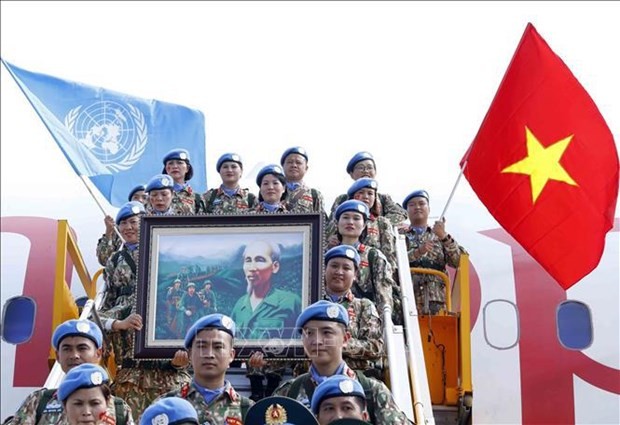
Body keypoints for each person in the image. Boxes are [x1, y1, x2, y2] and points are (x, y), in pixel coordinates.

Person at [99, 201, 191, 416]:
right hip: (131, 372)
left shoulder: (165, 252)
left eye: (134, 221)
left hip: (169, 370)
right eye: (123, 223)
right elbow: (107, 303)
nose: (128, 227)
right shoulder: (116, 259)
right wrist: (118, 323)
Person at [272, 301, 412, 424]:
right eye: (309, 333)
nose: (317, 341)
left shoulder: (372, 391)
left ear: (345, 339)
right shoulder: (288, 392)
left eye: (326, 332)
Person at [155, 314, 254, 424]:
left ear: (231, 355)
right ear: (190, 354)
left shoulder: (248, 410)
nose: (209, 354)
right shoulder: (165, 405)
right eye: (202, 346)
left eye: (218, 347)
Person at [6, 319, 104, 424]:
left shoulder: (117, 408)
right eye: (67, 349)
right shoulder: (38, 401)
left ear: (98, 354)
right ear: (57, 356)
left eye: (82, 348)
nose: (74, 355)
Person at [401, 190, 467, 315]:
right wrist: (417, 252)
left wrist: (444, 237)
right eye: (412, 205)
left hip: (435, 301)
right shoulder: (398, 236)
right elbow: (393, 261)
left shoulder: (438, 235)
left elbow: (459, 261)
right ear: (406, 211)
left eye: (421, 203)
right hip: (407, 298)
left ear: (429, 209)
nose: (417, 207)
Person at [333, 200, 400, 324]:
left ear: (364, 225)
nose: (350, 222)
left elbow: (383, 297)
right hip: (332, 318)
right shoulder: (327, 255)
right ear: (337, 223)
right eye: (345, 217)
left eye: (356, 218)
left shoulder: (374, 256)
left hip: (365, 321)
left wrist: (384, 325)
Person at [322, 245, 384, 375]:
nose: (339, 272)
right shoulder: (310, 302)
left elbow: (375, 348)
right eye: (334, 266)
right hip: (314, 377)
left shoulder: (364, 307)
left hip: (352, 379)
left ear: (355, 275)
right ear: (325, 270)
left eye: (346, 268)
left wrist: (343, 344)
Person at [230, 240, 301, 340]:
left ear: (275, 267)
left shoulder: (291, 302)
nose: (252, 268)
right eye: (248, 260)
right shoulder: (239, 305)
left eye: (260, 260)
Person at [326, 178, 397, 270]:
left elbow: (389, 257)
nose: (366, 197)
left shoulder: (382, 223)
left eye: (370, 193)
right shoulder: (339, 220)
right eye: (361, 192)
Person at [329, 152, 407, 228]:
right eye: (360, 167)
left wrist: (375, 223)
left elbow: (401, 214)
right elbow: (331, 225)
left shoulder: (384, 199)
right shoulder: (342, 199)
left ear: (375, 172)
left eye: (369, 167)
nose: (365, 171)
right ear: (351, 174)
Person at [57, 363, 134, 425]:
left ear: (107, 403)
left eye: (95, 403)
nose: (87, 412)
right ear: (65, 406)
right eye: (78, 404)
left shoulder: (121, 414)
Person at [95, 184, 147, 267]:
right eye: (135, 197)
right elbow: (104, 260)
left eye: (144, 197)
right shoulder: (123, 227)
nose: (140, 200)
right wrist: (109, 232)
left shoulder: (159, 223)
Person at [280, 146, 326, 217]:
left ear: (306, 168)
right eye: (290, 162)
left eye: (298, 163)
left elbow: (321, 223)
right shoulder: (274, 191)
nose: (294, 165)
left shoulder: (314, 195)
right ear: (283, 166)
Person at [162, 148, 204, 214]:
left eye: (179, 163)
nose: (175, 166)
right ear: (166, 169)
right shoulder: (156, 195)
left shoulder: (197, 199)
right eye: (171, 163)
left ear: (187, 168)